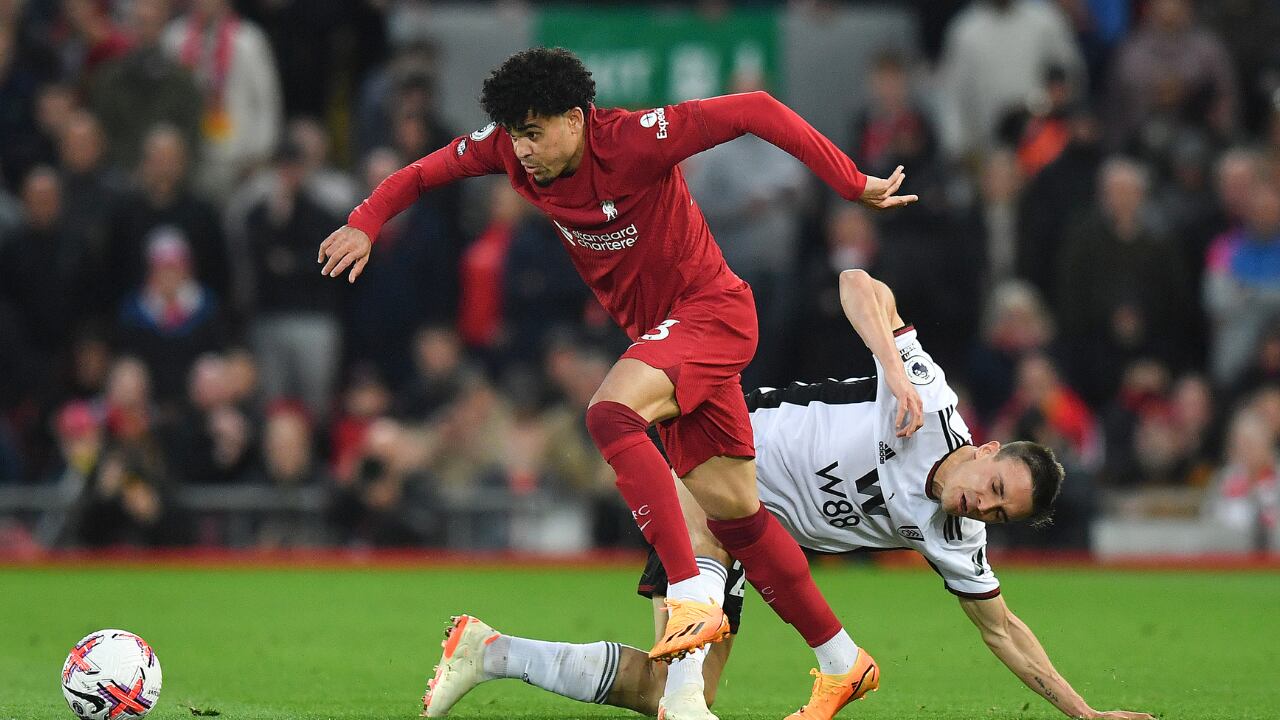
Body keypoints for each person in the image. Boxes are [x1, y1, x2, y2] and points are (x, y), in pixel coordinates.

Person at [318, 47, 917, 718]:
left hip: (712, 315)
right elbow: (426, 171)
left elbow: (754, 108)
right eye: (515, 133)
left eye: (535, 131)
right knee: (738, 517)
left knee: (609, 414)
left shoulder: (636, 138)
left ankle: (689, 596)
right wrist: (365, 221)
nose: (523, 149)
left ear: (576, 119)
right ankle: (842, 660)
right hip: (671, 343)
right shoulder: (511, 152)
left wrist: (851, 183)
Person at [422, 271, 1155, 720]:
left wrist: (1085, 715)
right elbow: (858, 283)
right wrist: (891, 363)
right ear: (988, 450)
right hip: (715, 449)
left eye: (999, 512)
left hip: (750, 536)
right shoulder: (927, 404)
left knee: (664, 689)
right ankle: (813, 666)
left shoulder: (955, 537)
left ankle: (489, 653)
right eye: (992, 488)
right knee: (690, 668)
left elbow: (1003, 630)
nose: (981, 507)